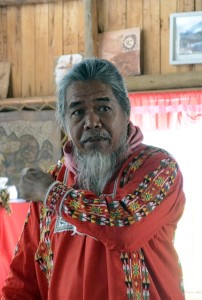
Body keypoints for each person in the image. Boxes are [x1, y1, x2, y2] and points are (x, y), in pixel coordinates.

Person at [1, 58, 186, 300]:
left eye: (103, 108)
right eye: (77, 111)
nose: (91, 122)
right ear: (64, 122)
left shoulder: (158, 167)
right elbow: (23, 280)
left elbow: (125, 228)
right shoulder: (54, 179)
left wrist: (52, 194)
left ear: (126, 112)